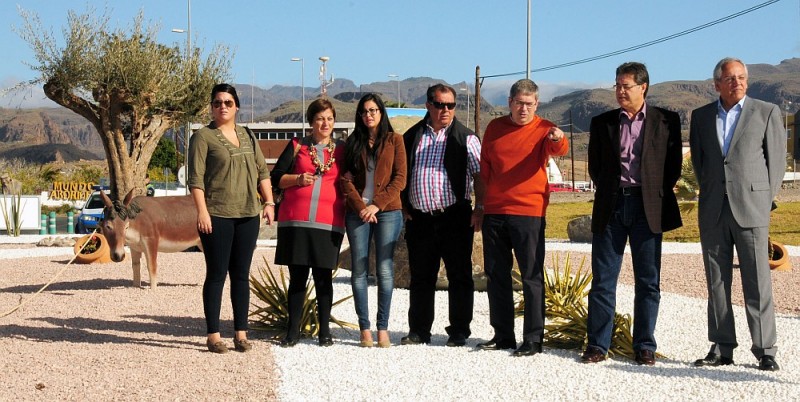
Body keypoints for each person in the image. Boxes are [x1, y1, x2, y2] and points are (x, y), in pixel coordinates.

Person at [582, 62, 683, 366]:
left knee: (648, 281)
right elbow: (595, 167)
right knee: (603, 281)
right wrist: (613, 190)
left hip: (647, 208)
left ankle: (644, 345)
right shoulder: (603, 122)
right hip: (611, 207)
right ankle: (598, 345)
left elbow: (673, 167)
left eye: (626, 86)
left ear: (644, 87)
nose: (620, 91)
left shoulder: (666, 120)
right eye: (617, 85)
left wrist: (651, 192)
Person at [689, 57, 785, 372]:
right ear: (717, 84)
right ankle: (721, 346)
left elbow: (776, 164)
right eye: (730, 78)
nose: (737, 83)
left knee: (757, 281)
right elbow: (701, 165)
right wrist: (714, 192)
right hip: (714, 209)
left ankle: (765, 349)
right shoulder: (701, 117)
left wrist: (763, 200)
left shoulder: (767, 112)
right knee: (717, 281)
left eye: (741, 77)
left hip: (752, 209)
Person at [477, 79, 568, 357]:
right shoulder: (495, 128)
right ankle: (503, 334)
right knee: (496, 275)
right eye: (519, 103)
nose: (524, 109)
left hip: (528, 213)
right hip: (495, 212)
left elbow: (559, 148)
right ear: (510, 102)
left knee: (531, 276)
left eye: (529, 104)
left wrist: (558, 138)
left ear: (537, 104)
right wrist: (480, 205)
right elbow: (484, 170)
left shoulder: (544, 129)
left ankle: (533, 339)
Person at [188, 83, 275, 354]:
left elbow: (262, 172)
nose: (222, 106)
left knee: (240, 276)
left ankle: (241, 333)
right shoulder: (203, 137)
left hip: (248, 215)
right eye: (217, 103)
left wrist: (269, 202)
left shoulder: (247, 135)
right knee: (216, 275)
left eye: (227, 102)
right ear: (211, 108)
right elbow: (196, 179)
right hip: (217, 215)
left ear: (236, 106)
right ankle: (213, 335)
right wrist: (202, 211)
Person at [400, 84, 484, 347]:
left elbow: (480, 175)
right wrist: (403, 207)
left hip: (455, 217)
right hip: (420, 219)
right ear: (428, 105)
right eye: (440, 105)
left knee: (460, 275)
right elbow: (400, 174)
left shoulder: (466, 138)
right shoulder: (411, 136)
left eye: (450, 105)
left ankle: (459, 330)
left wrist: (480, 207)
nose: (445, 110)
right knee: (421, 276)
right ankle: (419, 330)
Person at [271, 98, 346, 348]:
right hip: (296, 221)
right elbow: (276, 178)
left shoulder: (342, 150)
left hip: (329, 223)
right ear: (311, 122)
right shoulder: (296, 146)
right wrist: (296, 179)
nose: (325, 123)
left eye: (329, 118)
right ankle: (293, 331)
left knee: (324, 278)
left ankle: (325, 332)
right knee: (298, 278)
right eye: (319, 118)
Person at [341, 93, 406, 348]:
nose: (369, 115)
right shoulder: (352, 143)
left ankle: (383, 327)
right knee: (359, 270)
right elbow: (345, 180)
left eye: (373, 110)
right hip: (358, 213)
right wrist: (362, 207)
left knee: (384, 269)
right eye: (364, 111)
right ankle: (364, 328)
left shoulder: (395, 141)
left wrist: (377, 205)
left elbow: (400, 179)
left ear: (381, 112)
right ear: (360, 115)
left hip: (388, 211)